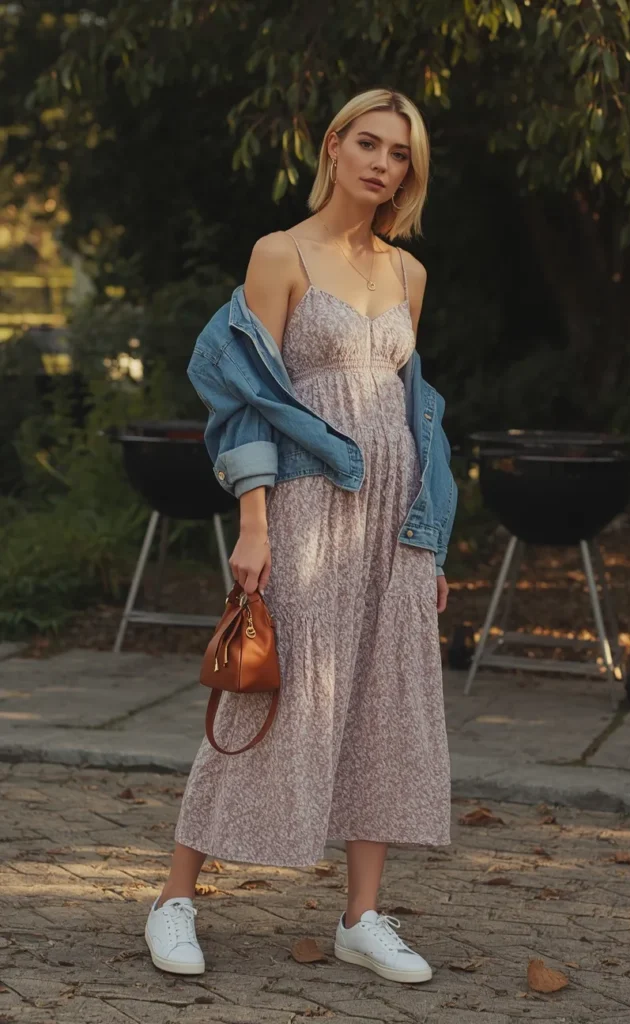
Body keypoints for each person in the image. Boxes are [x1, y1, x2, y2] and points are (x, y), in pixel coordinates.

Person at [144, 87, 457, 984]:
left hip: (393, 516)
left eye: (399, 154)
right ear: (331, 146)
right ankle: (174, 898)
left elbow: (412, 412)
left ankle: (361, 916)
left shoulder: (408, 274)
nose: (381, 165)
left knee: (384, 707)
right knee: (264, 696)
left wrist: (429, 539)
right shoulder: (277, 255)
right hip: (307, 508)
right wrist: (253, 522)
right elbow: (244, 396)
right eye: (368, 144)